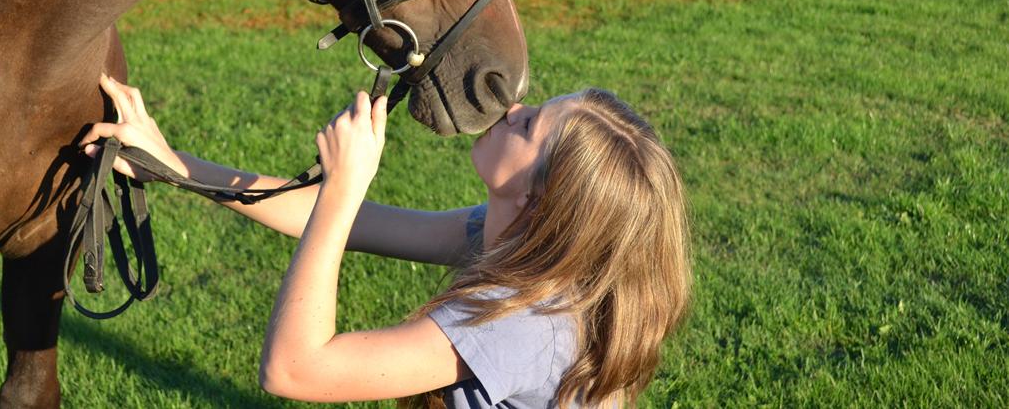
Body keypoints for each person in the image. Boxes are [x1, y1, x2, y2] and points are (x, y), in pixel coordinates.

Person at [80, 73, 691, 407]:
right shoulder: (522, 251)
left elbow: (294, 369)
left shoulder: (519, 323)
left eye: (530, 125)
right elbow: (364, 226)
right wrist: (173, 165)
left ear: (539, 199)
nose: (514, 108)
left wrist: (343, 189)